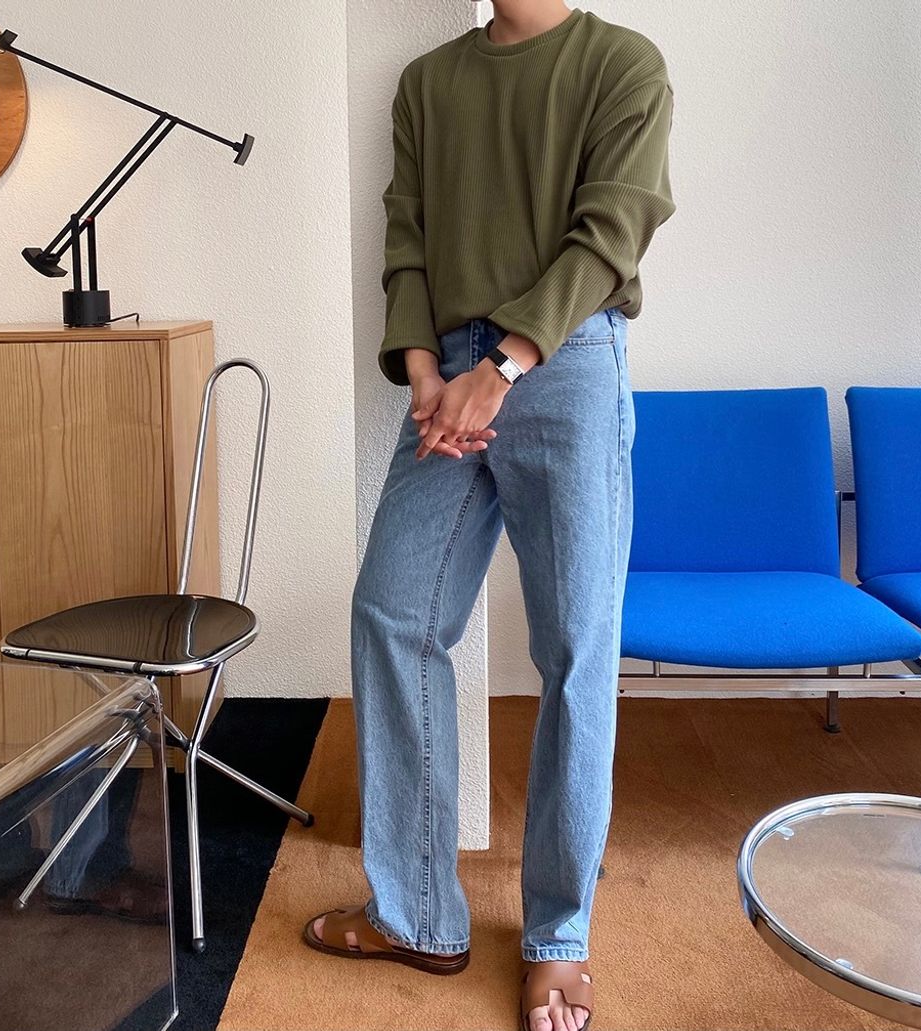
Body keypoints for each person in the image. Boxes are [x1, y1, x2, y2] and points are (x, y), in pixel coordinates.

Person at [304, 3, 675, 1029]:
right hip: (451, 367)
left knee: (575, 648)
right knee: (393, 612)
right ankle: (418, 912)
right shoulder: (429, 81)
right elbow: (408, 234)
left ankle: (559, 934)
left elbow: (613, 230)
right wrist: (426, 369)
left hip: (567, 363)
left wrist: (502, 368)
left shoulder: (621, 62)